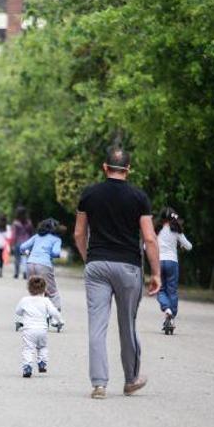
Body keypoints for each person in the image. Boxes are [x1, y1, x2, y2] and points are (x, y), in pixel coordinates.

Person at [74, 146, 161, 400]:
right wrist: (156, 273)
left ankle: (99, 384)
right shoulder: (139, 197)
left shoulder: (89, 195)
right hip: (128, 267)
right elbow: (149, 238)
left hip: (97, 265)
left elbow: (79, 233)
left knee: (97, 326)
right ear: (129, 169)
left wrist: (88, 258)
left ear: (105, 167)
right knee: (127, 325)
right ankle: (131, 380)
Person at [14, 276, 63, 378]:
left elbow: (17, 311)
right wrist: (60, 320)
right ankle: (42, 362)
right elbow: (54, 312)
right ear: (44, 289)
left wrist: (24, 312)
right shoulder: (46, 301)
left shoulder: (25, 300)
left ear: (28, 288)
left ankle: (27, 366)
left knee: (28, 348)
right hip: (42, 330)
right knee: (42, 347)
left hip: (29, 330)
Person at [156, 207, 192, 332]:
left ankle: (167, 310)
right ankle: (171, 317)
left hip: (159, 262)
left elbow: (145, 246)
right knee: (172, 291)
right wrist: (181, 244)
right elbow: (189, 246)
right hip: (172, 262)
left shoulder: (157, 231)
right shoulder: (177, 231)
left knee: (160, 290)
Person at [20, 218, 63, 310]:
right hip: (44, 265)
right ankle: (56, 316)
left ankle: (32, 311)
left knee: (34, 290)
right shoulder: (56, 239)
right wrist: (48, 255)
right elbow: (56, 252)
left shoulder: (36, 236)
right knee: (52, 291)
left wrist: (28, 253)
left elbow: (22, 247)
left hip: (30, 264)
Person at [11, 207, 34, 279]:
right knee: (25, 258)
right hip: (26, 243)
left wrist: (12, 244)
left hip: (18, 243)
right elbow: (31, 234)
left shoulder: (15, 223)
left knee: (17, 258)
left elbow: (14, 235)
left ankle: (16, 273)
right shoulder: (29, 223)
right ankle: (25, 272)